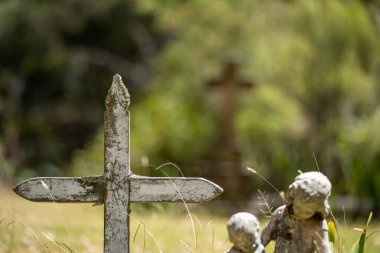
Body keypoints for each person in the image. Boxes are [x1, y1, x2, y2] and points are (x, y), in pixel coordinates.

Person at [261, 171, 332, 253]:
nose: (301, 213)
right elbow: (261, 241)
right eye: (298, 207)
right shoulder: (280, 214)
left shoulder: (318, 225)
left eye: (308, 211)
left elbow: (325, 249)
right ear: (292, 199)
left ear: (318, 209)